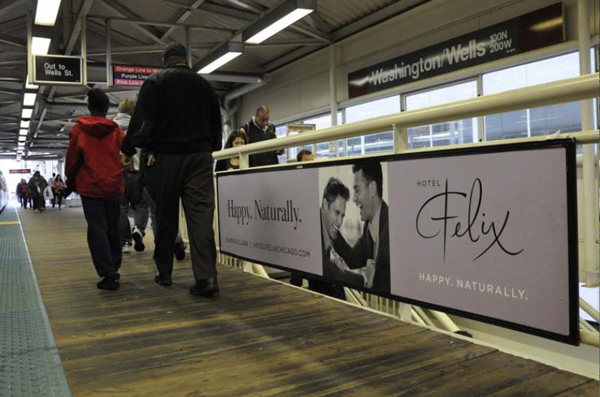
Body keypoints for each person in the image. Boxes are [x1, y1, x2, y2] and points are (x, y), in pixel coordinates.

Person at [121, 42, 222, 297]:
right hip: (199, 157)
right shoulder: (204, 85)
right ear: (186, 59)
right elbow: (216, 123)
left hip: (166, 158)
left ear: (165, 60)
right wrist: (210, 148)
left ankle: (164, 273)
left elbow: (143, 121)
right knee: (201, 217)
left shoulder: (156, 82)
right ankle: (207, 277)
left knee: (165, 215)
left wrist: (129, 148)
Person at [65, 88, 125, 291]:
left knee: (97, 230)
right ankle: (114, 265)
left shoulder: (79, 130)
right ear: (107, 108)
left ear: (89, 108)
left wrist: (70, 181)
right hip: (113, 186)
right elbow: (126, 150)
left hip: (90, 187)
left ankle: (109, 274)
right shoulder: (115, 129)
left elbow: (72, 159)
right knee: (113, 227)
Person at [333, 163, 390, 294]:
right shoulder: (369, 227)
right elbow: (354, 259)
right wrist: (333, 229)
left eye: (357, 190)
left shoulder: (393, 227)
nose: (353, 198)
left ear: (372, 188)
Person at [115, 98, 149, 253]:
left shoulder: (110, 128)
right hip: (137, 172)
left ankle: (125, 243)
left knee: (120, 208)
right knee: (141, 205)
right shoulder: (139, 128)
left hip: (118, 174)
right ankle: (138, 229)